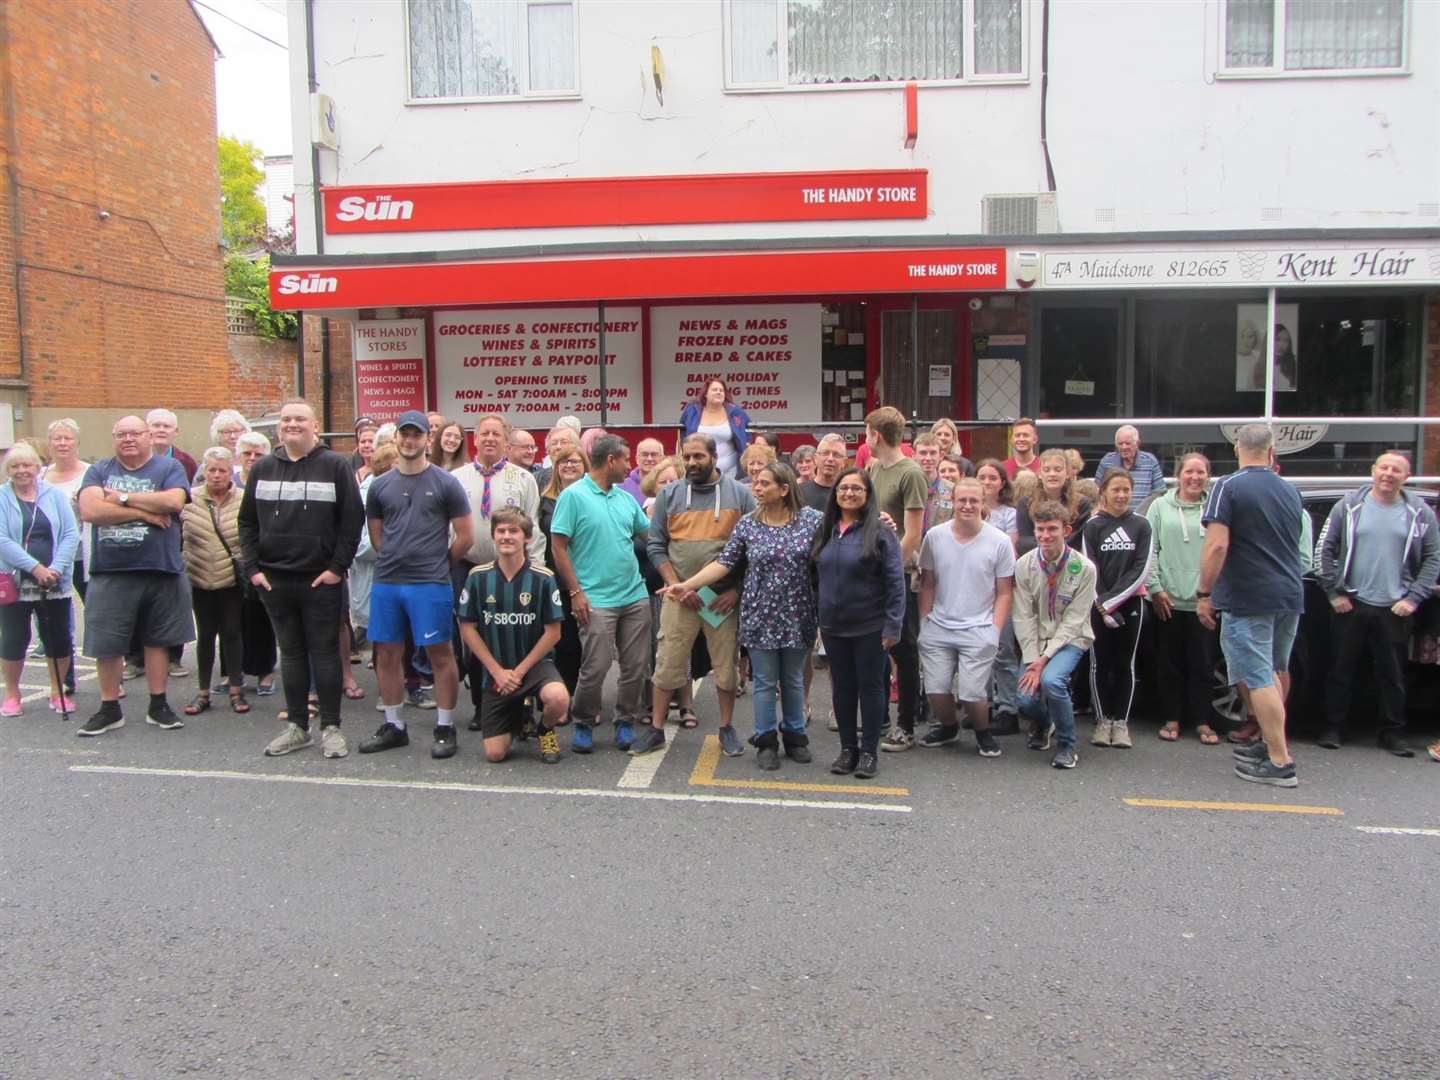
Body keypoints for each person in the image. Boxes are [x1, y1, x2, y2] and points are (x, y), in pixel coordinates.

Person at [666, 462, 821, 770]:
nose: (757, 488)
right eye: (756, 482)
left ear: (784, 489)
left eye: (764, 483)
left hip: (799, 612)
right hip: (760, 613)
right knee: (764, 681)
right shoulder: (749, 524)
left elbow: (840, 544)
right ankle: (765, 740)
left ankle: (794, 735)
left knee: (791, 679)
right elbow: (724, 563)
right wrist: (687, 584)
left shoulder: (813, 521)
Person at [239, 399, 365, 759]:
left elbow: (351, 522)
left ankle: (331, 728)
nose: (292, 424)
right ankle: (297, 727)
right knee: (291, 654)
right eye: (286, 419)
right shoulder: (263, 468)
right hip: (274, 581)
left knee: (325, 655)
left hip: (319, 580)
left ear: (315, 425)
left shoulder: (335, 466)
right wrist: (254, 569)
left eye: (300, 419)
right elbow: (247, 522)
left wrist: (336, 569)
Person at [359, 411, 474, 759]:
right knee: (387, 654)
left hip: (430, 583)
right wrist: (397, 558)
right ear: (397, 438)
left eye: (416, 435)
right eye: (404, 435)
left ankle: (444, 725)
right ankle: (394, 725)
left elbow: (466, 536)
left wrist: (438, 563)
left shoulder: (445, 482)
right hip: (388, 583)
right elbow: (378, 537)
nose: (410, 441)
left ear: (427, 439)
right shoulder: (380, 485)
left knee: (441, 654)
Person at [1197, 424, 1304, 787]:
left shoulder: (1228, 486)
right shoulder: (1290, 490)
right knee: (1274, 670)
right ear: (1272, 451)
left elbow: (1216, 546)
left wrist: (1203, 593)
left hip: (1249, 596)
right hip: (1289, 593)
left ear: (1237, 448)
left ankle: (1279, 760)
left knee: (1257, 675)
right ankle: (1267, 741)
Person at [1315, 452, 1440, 756]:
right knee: (1340, 670)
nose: (1388, 473)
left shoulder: (1420, 513)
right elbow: (1324, 549)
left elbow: (1433, 558)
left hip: (1395, 607)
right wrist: (1334, 593)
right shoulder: (1347, 506)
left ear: (1405, 477)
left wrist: (1413, 598)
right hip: (1352, 603)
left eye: (1396, 470)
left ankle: (1392, 733)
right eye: (1383, 467)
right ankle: (1334, 727)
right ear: (1373, 471)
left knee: (1393, 674)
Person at [75, 416, 193, 736]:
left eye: (135, 433)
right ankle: (109, 708)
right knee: (107, 644)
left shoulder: (169, 469)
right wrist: (144, 513)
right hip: (110, 571)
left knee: (158, 640)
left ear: (149, 436)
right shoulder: (99, 469)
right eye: (121, 434)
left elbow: (172, 501)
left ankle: (159, 705)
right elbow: (91, 511)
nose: (129, 439)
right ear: (113, 438)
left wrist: (123, 498)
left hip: (161, 568)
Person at [639, 433, 755, 757]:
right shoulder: (670, 495)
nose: (691, 463)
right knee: (668, 662)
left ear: (714, 457)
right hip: (680, 597)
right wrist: (677, 585)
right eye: (686, 457)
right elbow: (656, 544)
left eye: (698, 457)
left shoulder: (741, 495)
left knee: (725, 666)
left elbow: (753, 548)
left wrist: (736, 590)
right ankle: (656, 729)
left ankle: (727, 727)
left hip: (720, 599)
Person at [549, 434, 652, 754]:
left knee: (636, 667)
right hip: (595, 599)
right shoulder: (574, 496)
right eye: (626, 459)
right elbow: (558, 546)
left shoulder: (625, 498)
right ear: (611, 461)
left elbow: (650, 537)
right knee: (595, 666)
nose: (629, 465)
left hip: (634, 595)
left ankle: (624, 721)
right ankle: (582, 721)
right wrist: (576, 592)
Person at [811, 466, 904, 778]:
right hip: (833, 626)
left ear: (867, 496)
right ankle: (847, 749)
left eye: (856, 489)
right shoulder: (826, 530)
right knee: (843, 688)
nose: (849, 493)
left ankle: (868, 753)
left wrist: (893, 625)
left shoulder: (880, 532)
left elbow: (895, 582)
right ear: (835, 494)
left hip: (871, 625)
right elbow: (814, 577)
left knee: (871, 687)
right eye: (843, 488)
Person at [456, 509, 567, 764]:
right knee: (495, 754)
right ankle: (520, 715)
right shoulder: (478, 577)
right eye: (501, 531)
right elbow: (467, 628)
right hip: (497, 672)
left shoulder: (543, 578)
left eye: (514, 531)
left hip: (534, 666)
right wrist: (497, 672)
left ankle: (545, 730)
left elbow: (554, 633)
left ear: (527, 538)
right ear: (493, 536)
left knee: (559, 699)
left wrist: (518, 672)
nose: (507, 536)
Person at [916, 477, 1015, 756]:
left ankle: (983, 732)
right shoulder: (935, 536)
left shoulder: (1000, 541)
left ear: (984, 504)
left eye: (974, 500)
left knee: (972, 694)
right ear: (954, 502)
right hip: (939, 625)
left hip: (979, 627)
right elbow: (927, 583)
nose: (968, 506)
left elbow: (1005, 591)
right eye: (962, 500)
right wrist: (925, 623)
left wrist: (994, 630)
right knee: (936, 690)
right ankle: (949, 727)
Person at [1013, 501, 1097, 770]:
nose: (1045, 536)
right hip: (1036, 641)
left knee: (1052, 681)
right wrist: (1032, 658)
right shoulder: (1025, 565)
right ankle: (1046, 719)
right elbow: (1023, 616)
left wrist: (1044, 661)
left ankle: (1067, 744)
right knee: (1025, 698)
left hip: (1070, 639)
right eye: (1040, 529)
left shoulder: (1084, 568)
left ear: (1067, 530)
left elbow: (1075, 620)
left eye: (1052, 529)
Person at [865, 406, 929, 753]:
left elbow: (913, 533)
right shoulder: (873, 468)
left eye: (866, 432)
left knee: (903, 647)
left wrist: (889, 574)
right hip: (873, 572)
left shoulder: (911, 473)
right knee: (877, 646)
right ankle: (880, 720)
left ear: (876, 434)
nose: (866, 438)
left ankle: (906, 724)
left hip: (897, 574)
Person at [1147, 453, 1222, 745]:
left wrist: (1214, 591)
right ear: (1179, 474)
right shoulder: (1160, 506)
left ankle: (1203, 720)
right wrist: (1155, 587)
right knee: (1170, 664)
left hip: (1204, 600)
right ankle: (1171, 718)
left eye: (1201, 472)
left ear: (1208, 475)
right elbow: (1149, 548)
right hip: (1168, 599)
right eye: (1189, 471)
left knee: (1203, 665)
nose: (1195, 477)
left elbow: (1222, 549)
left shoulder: (1216, 507)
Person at [0, 443, 78, 715]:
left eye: (27, 465)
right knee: (14, 637)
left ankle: (58, 692)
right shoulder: (1, 497)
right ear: (8, 470)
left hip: (54, 581)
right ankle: (12, 694)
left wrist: (56, 567)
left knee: (58, 636)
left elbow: (71, 533)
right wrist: (36, 568)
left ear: (37, 467)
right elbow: (2, 540)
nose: (22, 471)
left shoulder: (55, 496)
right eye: (15, 466)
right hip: (14, 581)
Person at [1079, 470, 1154, 749]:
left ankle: (1120, 722)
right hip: (1097, 605)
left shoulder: (1141, 525)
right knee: (1100, 664)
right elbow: (1090, 566)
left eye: (1126, 490)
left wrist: (1112, 601)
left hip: (1129, 604)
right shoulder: (1093, 526)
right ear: (1104, 493)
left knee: (1125, 664)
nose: (1121, 495)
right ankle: (1103, 722)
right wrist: (1101, 603)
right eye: (1116, 490)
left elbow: (1141, 567)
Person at [180, 447, 248, 716]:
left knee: (232, 632)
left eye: (222, 470)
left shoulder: (243, 499)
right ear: (204, 472)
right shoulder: (188, 499)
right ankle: (203, 692)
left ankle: (236, 689)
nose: (217, 475)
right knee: (206, 635)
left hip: (232, 579)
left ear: (231, 471)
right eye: (211, 470)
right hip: (199, 576)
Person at [537, 445, 589, 709]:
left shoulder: (592, 497)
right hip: (555, 577)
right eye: (563, 462)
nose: (569, 466)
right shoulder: (545, 500)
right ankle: (565, 695)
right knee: (564, 639)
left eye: (575, 461)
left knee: (589, 641)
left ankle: (586, 697)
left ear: (586, 465)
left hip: (587, 575)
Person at [233, 431, 276, 696]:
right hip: (229, 560)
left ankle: (265, 671)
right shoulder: (229, 481)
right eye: (247, 453)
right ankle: (233, 674)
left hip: (263, 558)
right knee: (233, 621)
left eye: (258, 454)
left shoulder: (272, 480)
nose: (252, 459)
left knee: (261, 618)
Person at [350, 442, 397, 661]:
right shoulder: (367, 492)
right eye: (396, 463)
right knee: (385, 634)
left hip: (399, 572)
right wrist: (393, 543)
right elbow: (361, 544)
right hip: (377, 572)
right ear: (385, 467)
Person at [42, 418, 90, 600]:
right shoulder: (41, 476)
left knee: (92, 604)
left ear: (77, 442)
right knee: (53, 609)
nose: (62, 443)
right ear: (50, 443)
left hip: (82, 555)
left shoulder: (91, 473)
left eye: (67, 438)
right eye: (57, 439)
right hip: (50, 554)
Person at [1016, 448, 1091, 557]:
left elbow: (1076, 541)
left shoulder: (1082, 504)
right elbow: (1024, 543)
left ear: (1067, 474)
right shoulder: (1026, 503)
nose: (1052, 474)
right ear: (1040, 474)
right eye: (1046, 470)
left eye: (1057, 469)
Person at [680, 377, 750, 479]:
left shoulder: (736, 412)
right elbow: (682, 433)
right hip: (698, 470)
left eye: (721, 390)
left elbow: (748, 432)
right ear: (705, 394)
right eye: (714, 390)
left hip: (731, 471)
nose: (718, 392)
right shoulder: (692, 411)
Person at [1094, 426, 1166, 510]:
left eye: (1127, 443)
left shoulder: (1150, 461)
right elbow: (1097, 491)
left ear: (1138, 444)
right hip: (1112, 516)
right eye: (1120, 444)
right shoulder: (1107, 461)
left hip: (1142, 517)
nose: (1123, 447)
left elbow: (1159, 492)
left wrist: (1143, 511)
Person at [913, 433, 954, 531]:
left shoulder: (953, 490)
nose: (928, 458)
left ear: (941, 455)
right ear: (914, 456)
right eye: (923, 453)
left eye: (933, 453)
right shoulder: (906, 487)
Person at [147, 408, 198, 486]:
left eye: (166, 426)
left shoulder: (188, 463)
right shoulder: (134, 459)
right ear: (146, 429)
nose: (161, 430)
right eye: (156, 426)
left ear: (176, 432)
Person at [800, 433, 846, 511]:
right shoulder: (798, 492)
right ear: (815, 458)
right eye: (825, 453)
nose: (830, 459)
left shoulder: (848, 495)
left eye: (836, 455)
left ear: (844, 462)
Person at [620, 437, 666, 504]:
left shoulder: (670, 484)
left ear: (662, 458)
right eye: (645, 454)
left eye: (654, 454)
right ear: (637, 459)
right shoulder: (622, 487)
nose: (649, 459)